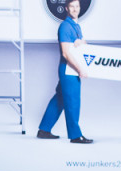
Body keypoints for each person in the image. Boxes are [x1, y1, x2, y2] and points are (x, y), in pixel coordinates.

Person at [37, 0, 93, 144]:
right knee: (73, 101)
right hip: (69, 69)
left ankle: (44, 130)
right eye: (72, 7)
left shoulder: (76, 26)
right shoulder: (65, 27)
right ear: (67, 8)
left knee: (60, 99)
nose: (75, 9)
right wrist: (80, 69)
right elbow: (66, 53)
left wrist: (81, 43)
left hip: (70, 68)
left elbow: (82, 45)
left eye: (77, 6)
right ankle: (75, 136)